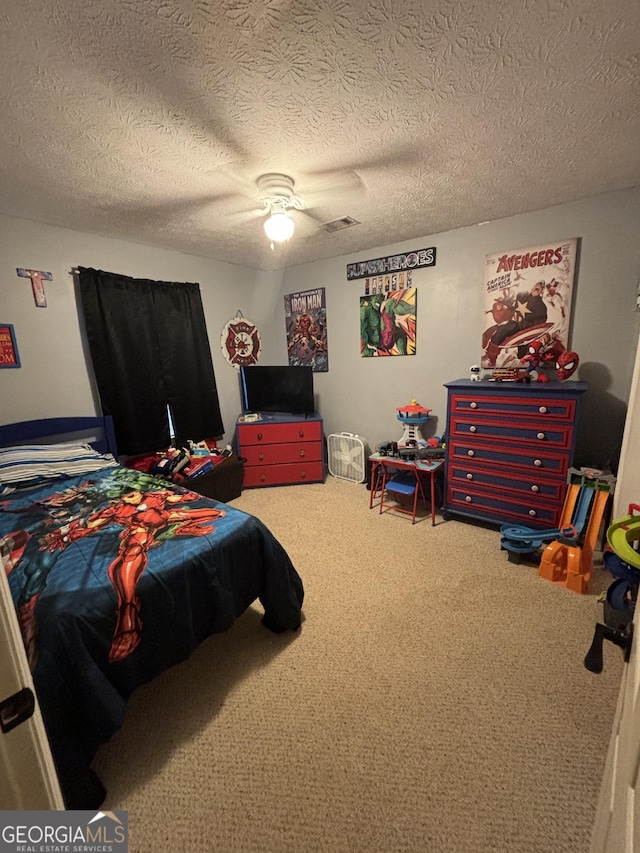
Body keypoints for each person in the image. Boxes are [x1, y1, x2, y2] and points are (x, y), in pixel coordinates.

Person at [484, 282, 548, 367]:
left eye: (538, 289)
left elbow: (540, 320)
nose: (535, 290)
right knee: (506, 328)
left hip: (528, 331)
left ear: (541, 292)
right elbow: (514, 306)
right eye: (535, 287)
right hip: (518, 326)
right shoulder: (522, 296)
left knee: (522, 355)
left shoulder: (541, 307)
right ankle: (491, 355)